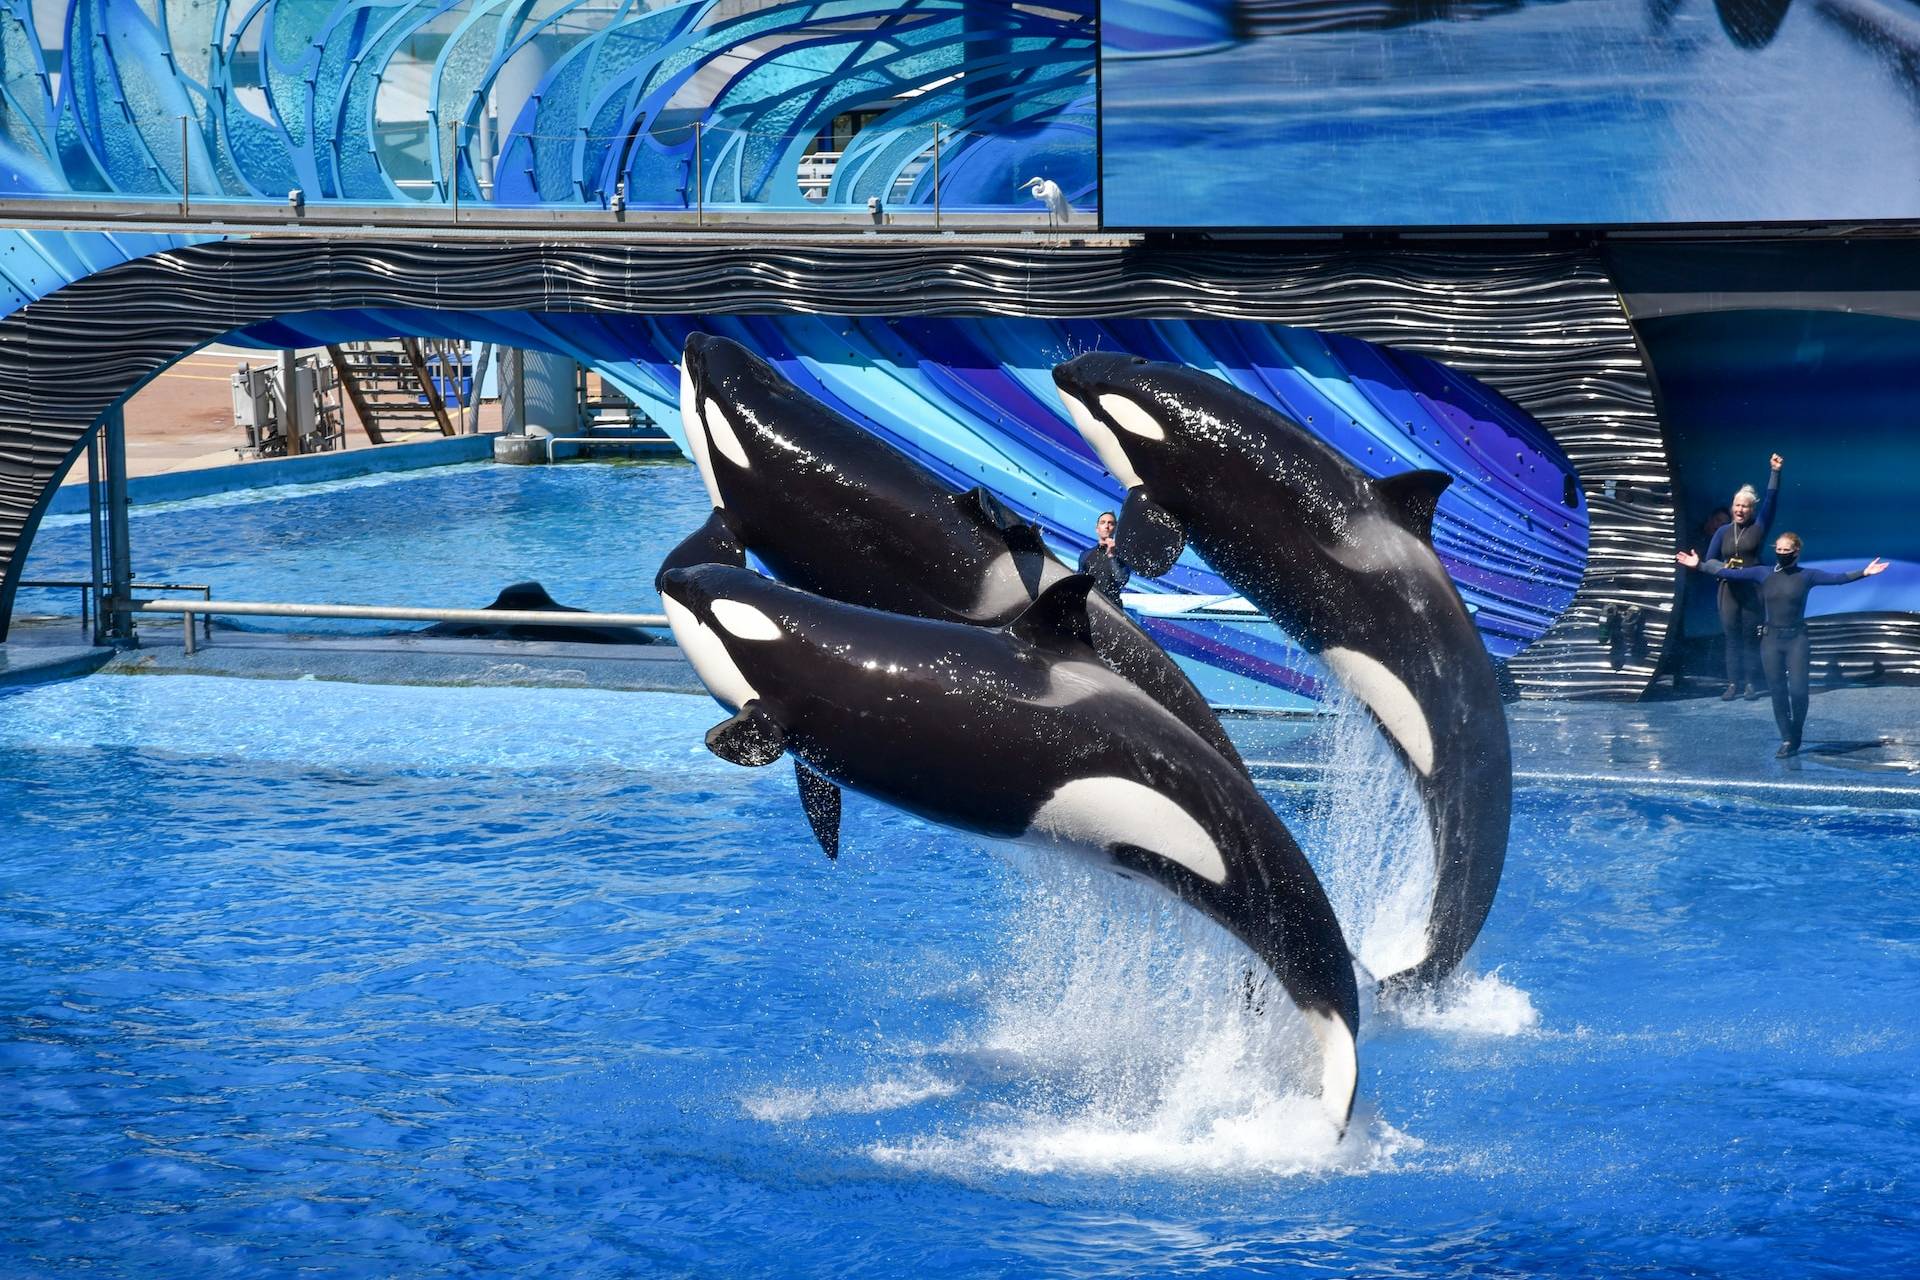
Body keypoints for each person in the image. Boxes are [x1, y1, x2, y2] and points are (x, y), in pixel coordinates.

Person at [1678, 534, 1888, 756]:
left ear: (1796, 551)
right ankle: (1787, 738)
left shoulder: (1807, 575)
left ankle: (1796, 731)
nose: (1781, 553)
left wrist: (1864, 572)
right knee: (1777, 691)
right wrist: (1699, 565)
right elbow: (1728, 572)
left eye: (1786, 550)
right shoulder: (1763, 573)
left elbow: (1837, 578)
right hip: (1771, 640)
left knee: (1798, 691)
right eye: (1778, 549)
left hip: (1797, 640)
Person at [1699, 454, 1783, 700]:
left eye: (1745, 506)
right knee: (1731, 638)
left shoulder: (1758, 527)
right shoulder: (1723, 532)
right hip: (1727, 592)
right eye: (1737, 505)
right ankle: (1733, 683)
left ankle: (1750, 683)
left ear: (1751, 509)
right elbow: (1710, 559)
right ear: (1732, 507)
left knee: (1749, 638)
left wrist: (1775, 472)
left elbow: (1771, 500)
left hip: (1752, 592)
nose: (1740, 509)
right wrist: (1721, 570)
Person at [1078, 511, 1132, 605]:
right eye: (1103, 522)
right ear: (1097, 528)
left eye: (1110, 523)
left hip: (1111, 609)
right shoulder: (1086, 555)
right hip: (1089, 605)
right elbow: (1079, 582)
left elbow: (1121, 580)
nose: (1106, 526)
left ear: (1115, 529)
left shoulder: (1123, 555)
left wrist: (1112, 555)